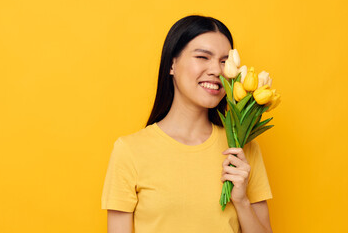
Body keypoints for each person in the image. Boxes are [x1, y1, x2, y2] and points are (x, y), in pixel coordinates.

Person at [101, 15, 273, 233]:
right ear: (172, 64)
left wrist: (241, 201)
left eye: (224, 61)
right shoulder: (129, 151)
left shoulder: (242, 149)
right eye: (203, 57)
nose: (217, 71)